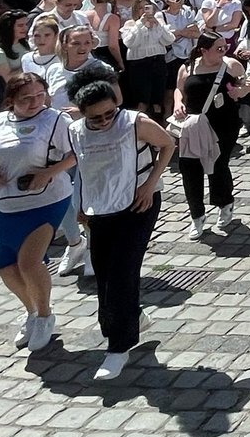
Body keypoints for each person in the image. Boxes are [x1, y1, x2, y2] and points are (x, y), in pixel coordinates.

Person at [68, 78, 173, 380]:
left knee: (122, 272)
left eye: (108, 114)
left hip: (137, 204)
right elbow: (84, 172)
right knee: (102, 273)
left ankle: (119, 347)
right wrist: (79, 205)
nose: (103, 121)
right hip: (99, 208)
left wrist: (149, 186)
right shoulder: (76, 132)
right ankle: (134, 316)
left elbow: (167, 144)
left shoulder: (134, 122)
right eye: (95, 117)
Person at [0, 73, 77, 352]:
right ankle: (30, 311)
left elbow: (77, 152)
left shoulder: (56, 120)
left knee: (29, 263)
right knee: (6, 267)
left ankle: (44, 315)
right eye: (26, 99)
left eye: (39, 96)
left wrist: (49, 173)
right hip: (6, 201)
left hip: (46, 199)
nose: (34, 103)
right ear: (10, 101)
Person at [171, 32, 248, 240]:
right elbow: (179, 90)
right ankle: (197, 215)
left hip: (224, 123)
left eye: (225, 47)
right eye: (219, 48)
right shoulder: (188, 67)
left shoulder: (231, 65)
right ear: (204, 50)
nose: (224, 51)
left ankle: (224, 202)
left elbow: (246, 86)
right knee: (189, 167)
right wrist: (178, 103)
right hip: (194, 123)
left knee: (218, 165)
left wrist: (239, 92)